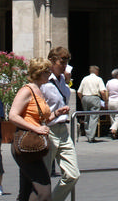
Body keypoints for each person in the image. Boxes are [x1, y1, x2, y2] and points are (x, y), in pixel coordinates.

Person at [9, 58, 53, 201]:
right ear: (39, 72)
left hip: (34, 144)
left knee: (27, 192)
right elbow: (13, 116)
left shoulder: (38, 90)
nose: (50, 74)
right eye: (47, 71)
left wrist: (56, 114)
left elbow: (39, 118)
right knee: (44, 191)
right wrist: (36, 128)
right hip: (26, 144)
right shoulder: (26, 90)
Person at [39, 46, 80, 200]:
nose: (64, 66)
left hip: (63, 130)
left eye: (66, 62)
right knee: (43, 177)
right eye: (61, 62)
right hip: (48, 130)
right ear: (51, 61)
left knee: (73, 174)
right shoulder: (43, 82)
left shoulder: (63, 79)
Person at [77, 64, 107, 142]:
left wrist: (82, 99)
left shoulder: (85, 79)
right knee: (94, 117)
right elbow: (102, 91)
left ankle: (88, 133)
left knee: (86, 117)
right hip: (94, 97)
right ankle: (91, 136)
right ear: (96, 71)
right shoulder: (98, 79)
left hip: (85, 97)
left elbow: (79, 92)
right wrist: (106, 101)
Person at [106, 68, 118, 138]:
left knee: (112, 117)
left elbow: (107, 92)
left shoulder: (108, 82)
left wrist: (106, 101)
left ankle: (114, 133)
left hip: (110, 101)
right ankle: (113, 129)